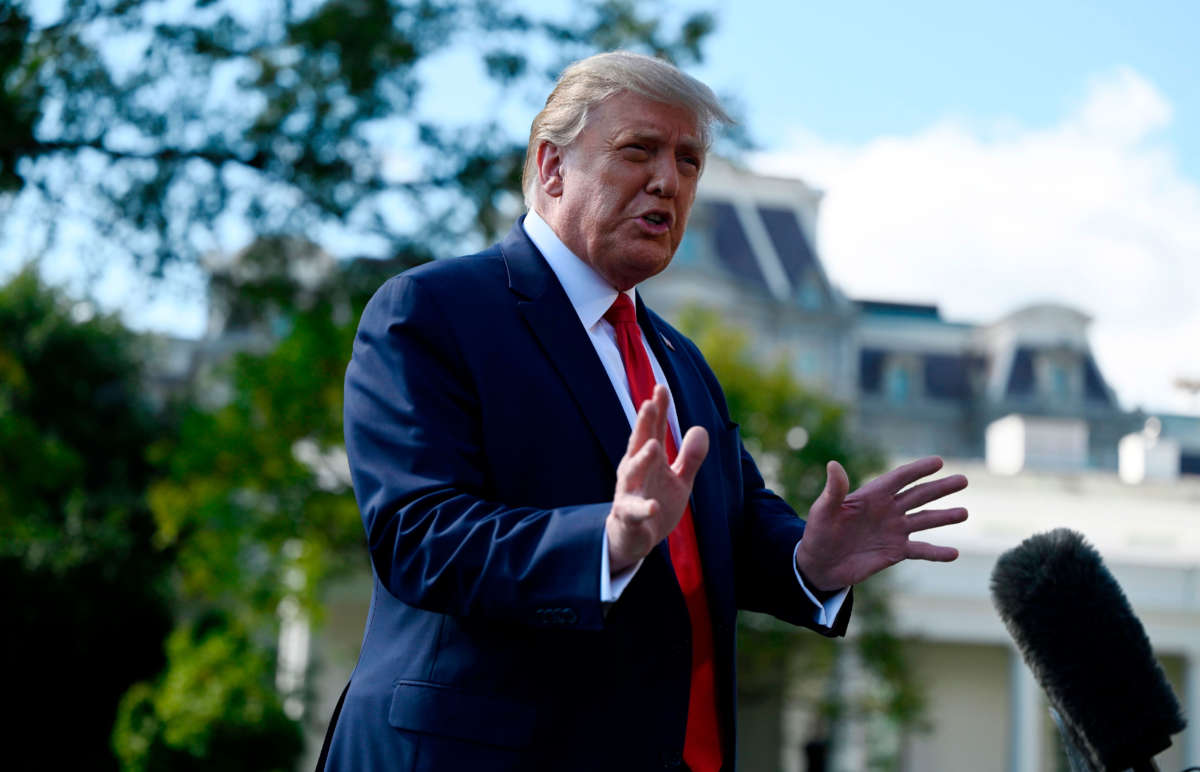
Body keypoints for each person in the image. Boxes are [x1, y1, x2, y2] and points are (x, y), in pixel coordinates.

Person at [320, 51, 968, 772]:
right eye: (639, 151)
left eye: (689, 162)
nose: (669, 180)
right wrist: (608, 539)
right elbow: (420, 535)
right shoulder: (433, 311)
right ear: (553, 165)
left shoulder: (680, 359)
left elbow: (734, 521)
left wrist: (806, 562)